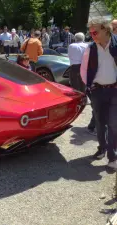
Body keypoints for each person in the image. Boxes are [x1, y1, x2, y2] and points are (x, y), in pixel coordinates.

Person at [80, 18, 117, 169]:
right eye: (90, 32)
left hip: (114, 90)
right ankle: (101, 148)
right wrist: (90, 86)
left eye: (95, 32)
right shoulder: (91, 48)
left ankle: (112, 155)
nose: (92, 35)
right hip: (97, 91)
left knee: (114, 123)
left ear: (106, 30)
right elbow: (84, 69)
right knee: (100, 123)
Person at [68, 32, 96, 135]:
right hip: (84, 67)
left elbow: (69, 55)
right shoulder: (87, 45)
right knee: (84, 85)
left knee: (75, 86)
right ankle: (84, 100)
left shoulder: (71, 46)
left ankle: (78, 103)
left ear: (75, 38)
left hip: (74, 67)